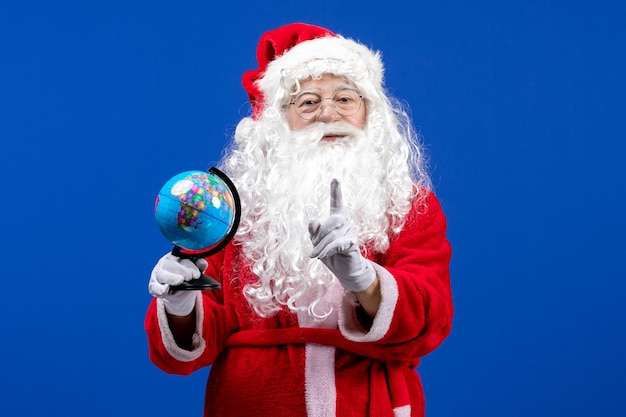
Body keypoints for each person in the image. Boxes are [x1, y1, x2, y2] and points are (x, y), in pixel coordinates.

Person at [145, 22, 453, 417]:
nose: (329, 113)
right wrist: (183, 302)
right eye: (308, 102)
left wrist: (366, 282)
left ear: (369, 112)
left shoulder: (409, 205)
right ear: (277, 121)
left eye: (346, 98)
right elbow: (180, 358)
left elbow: (432, 323)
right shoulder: (231, 209)